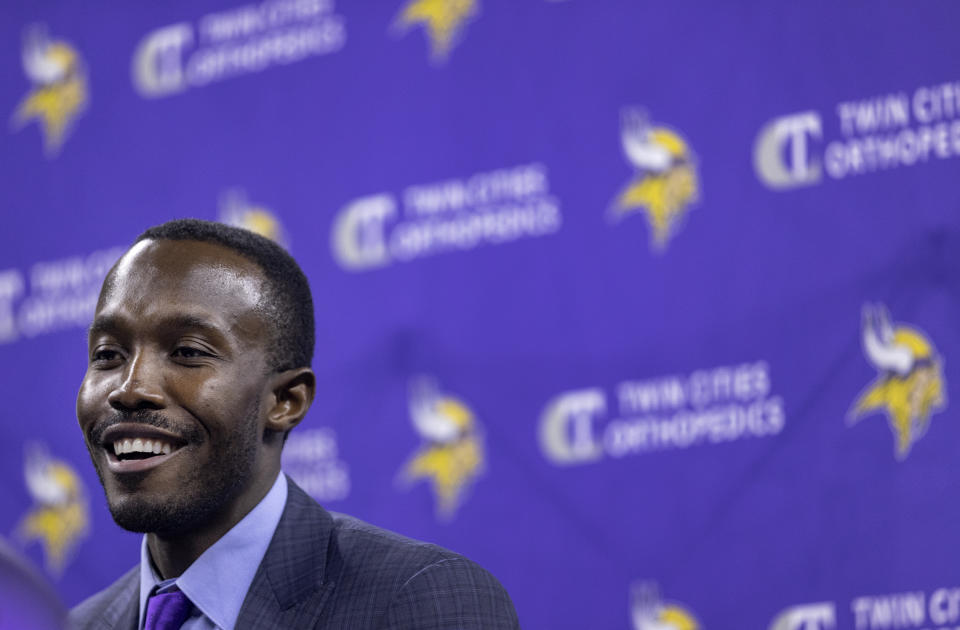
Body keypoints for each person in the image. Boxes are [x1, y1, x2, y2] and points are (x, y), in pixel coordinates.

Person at [69, 219, 520, 630]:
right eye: (107, 354)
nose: (128, 390)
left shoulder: (421, 602)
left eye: (188, 351)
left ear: (285, 400)